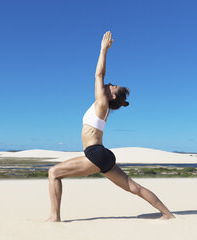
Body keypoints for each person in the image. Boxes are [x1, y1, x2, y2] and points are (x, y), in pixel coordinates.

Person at [46, 31, 175, 222]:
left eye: (113, 86)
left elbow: (99, 74)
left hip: (95, 154)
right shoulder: (102, 106)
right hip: (101, 154)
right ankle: (168, 215)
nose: (109, 83)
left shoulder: (102, 103)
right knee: (134, 187)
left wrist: (103, 50)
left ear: (112, 96)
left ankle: (54, 218)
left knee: (53, 173)